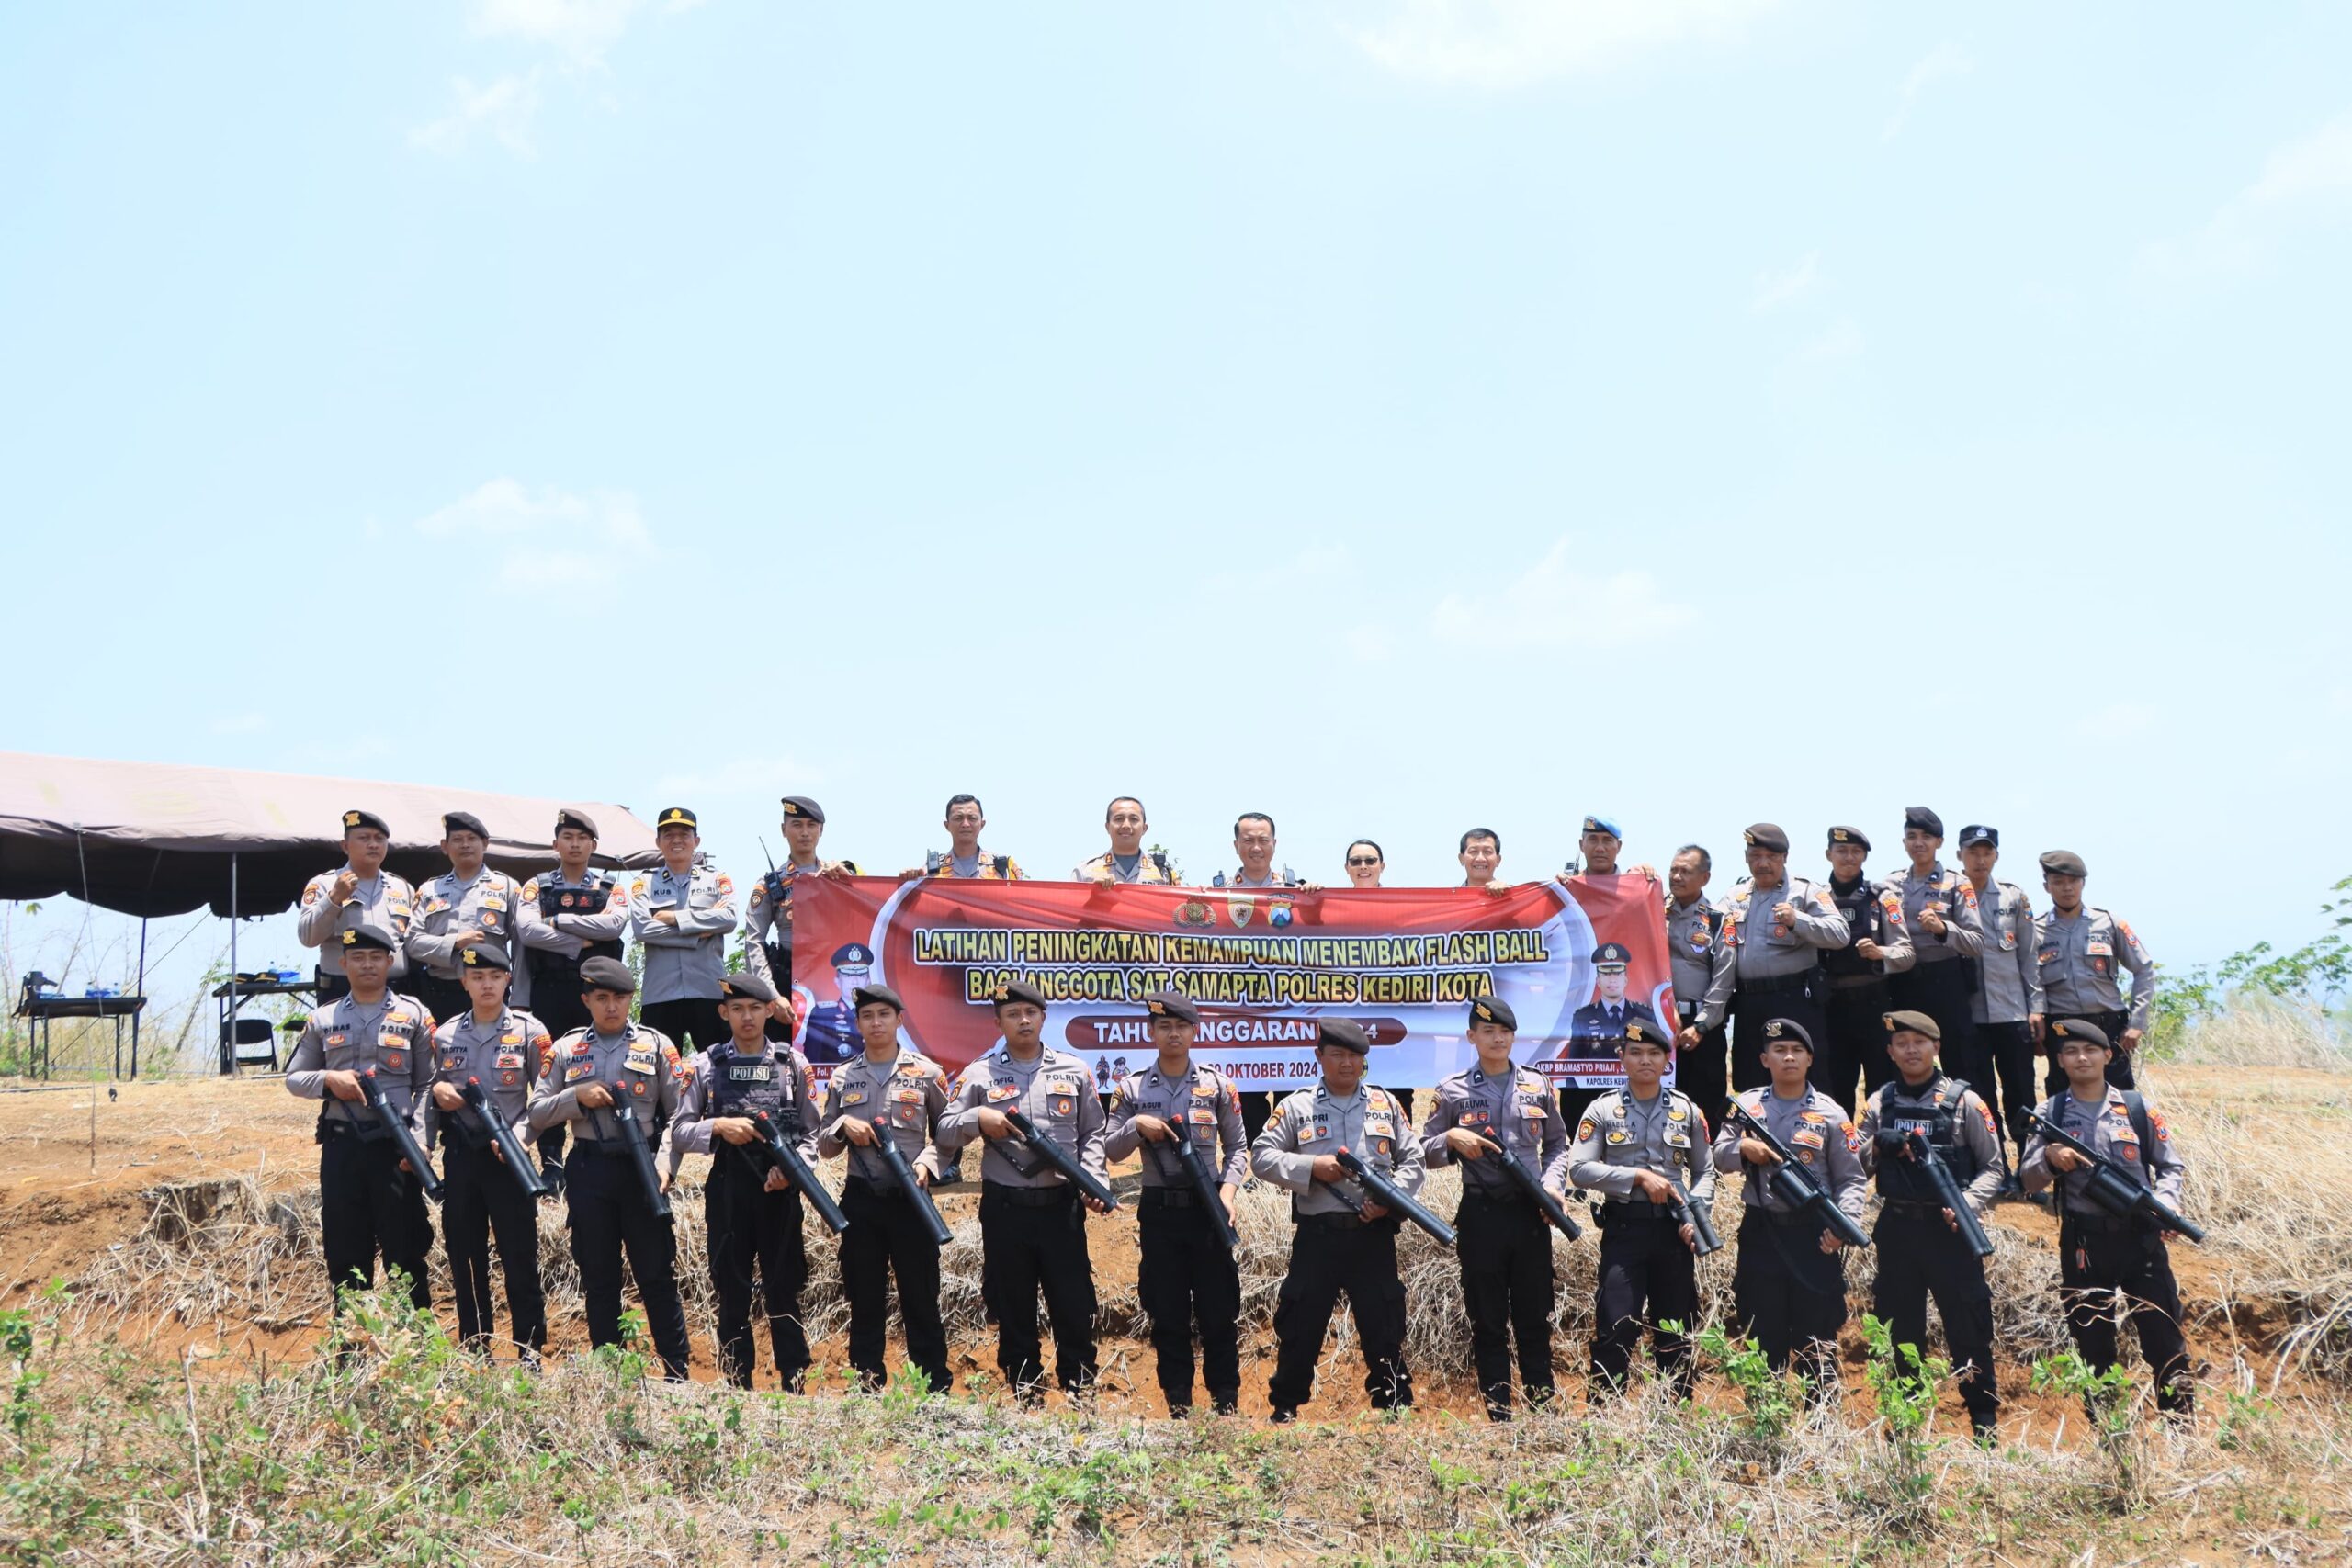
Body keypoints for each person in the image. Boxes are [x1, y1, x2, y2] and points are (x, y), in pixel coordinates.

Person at [940, 979, 1113, 1404]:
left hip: (1061, 1208)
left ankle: (1078, 1385)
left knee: (1073, 1302)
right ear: (997, 1021)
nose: (1022, 1020)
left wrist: (1095, 1181)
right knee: (1013, 1303)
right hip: (1006, 1209)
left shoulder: (1073, 1070)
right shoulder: (979, 1074)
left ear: (1043, 1017)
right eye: (1012, 1014)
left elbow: (1093, 1132)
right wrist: (978, 1118)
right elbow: (944, 1129)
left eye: (1030, 1013)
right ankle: (1026, 1389)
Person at [526, 956, 693, 1381]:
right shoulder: (565, 1050)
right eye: (602, 998)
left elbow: (679, 1116)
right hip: (589, 1166)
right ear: (586, 1000)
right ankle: (611, 1376)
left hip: (643, 1170)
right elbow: (537, 1111)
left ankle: (677, 1373)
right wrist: (576, 1096)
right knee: (599, 1276)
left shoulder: (657, 1045)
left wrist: (665, 1166)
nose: (612, 1007)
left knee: (656, 1274)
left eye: (620, 998)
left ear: (631, 999)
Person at [1251, 1017, 1423, 1423]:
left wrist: (1389, 1200)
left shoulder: (1385, 1104)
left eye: (1356, 1056)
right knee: (1301, 1324)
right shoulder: (1296, 1106)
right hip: (1318, 1237)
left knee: (1383, 1322)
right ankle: (1286, 1408)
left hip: (1373, 1234)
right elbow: (1261, 1156)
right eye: (1338, 1055)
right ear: (1319, 1057)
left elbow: (1414, 1160)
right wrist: (1313, 1167)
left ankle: (1393, 1407)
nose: (1348, 1063)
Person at [2018, 1019, 2193, 1417]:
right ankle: (2109, 1436)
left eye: (2090, 1050)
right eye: (2071, 1052)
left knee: (2164, 1339)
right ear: (2060, 1061)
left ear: (2107, 1056)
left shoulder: (2136, 1106)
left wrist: (2169, 1205)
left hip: (2142, 1239)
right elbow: (2027, 1179)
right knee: (2093, 1345)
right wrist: (2050, 1158)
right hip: (2084, 1243)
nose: (2081, 1058)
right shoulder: (2051, 1113)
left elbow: (2170, 1167)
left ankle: (2181, 1432)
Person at [669, 969, 821, 1391]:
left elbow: (813, 1133)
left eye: (755, 1008)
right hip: (729, 1186)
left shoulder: (792, 1063)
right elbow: (679, 1130)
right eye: (737, 1009)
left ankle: (794, 1378)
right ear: (723, 1013)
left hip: (780, 1188)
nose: (747, 1017)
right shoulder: (705, 1063)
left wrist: (792, 1170)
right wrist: (718, 1126)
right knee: (731, 1285)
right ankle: (738, 1382)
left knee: (784, 1285)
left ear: (770, 1011)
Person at [1420, 996, 1569, 1420]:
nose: (1497, 1037)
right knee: (1487, 1317)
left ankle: (1542, 1410)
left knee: (1534, 1314)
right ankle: (1499, 1413)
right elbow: (1421, 1151)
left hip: (1531, 1213)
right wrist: (1451, 1139)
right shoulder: (1452, 1091)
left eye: (1504, 1031)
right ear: (1472, 1037)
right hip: (1482, 1214)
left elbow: (1558, 1144)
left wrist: (1553, 1186)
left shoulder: (1537, 1085)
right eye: (1488, 1031)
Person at [1856, 1010, 2003, 1438]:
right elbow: (1854, 1168)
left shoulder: (1966, 1102)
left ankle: (1984, 1422)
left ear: (1936, 1048)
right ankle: (1905, 1424)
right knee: (1901, 1329)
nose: (1911, 1049)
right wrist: (1875, 1147)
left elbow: (1995, 1169)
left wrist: (1967, 1206)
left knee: (1969, 1328)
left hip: (1952, 1233)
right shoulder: (1880, 1103)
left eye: (1920, 1041)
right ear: (1890, 1052)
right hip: (1898, 1229)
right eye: (1901, 1043)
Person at [1103, 991, 1247, 1417]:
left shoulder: (1218, 1086)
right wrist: (1135, 1125)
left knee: (1219, 1310)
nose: (1173, 1034)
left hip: (1209, 1210)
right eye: (1164, 1027)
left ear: (1194, 1031)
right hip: (1159, 1211)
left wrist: (1228, 1192)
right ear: (1151, 1032)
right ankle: (1179, 1406)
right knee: (1167, 1312)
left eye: (1181, 1027)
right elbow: (1111, 1148)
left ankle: (1226, 1404)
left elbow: (1239, 1147)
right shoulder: (1130, 1089)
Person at [1712, 1018, 1864, 1399]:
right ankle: (1766, 1419)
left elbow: (1852, 1178)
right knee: (1762, 1330)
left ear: (1810, 1059)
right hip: (1762, 1231)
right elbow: (1718, 1154)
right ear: (1765, 1059)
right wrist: (1742, 1150)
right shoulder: (1746, 1106)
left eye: (1797, 1051)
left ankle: (1822, 1424)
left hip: (1814, 1235)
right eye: (1779, 1051)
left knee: (1818, 1334)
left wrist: (1844, 1225)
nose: (1789, 1057)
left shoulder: (1832, 1113)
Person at [283, 928, 434, 1314]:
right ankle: (352, 1353)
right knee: (346, 1252)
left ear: (390, 962)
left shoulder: (415, 1015)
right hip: (342, 1146)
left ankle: (415, 1348)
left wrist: (421, 1140)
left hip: (395, 1150)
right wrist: (329, 1081)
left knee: (406, 1251)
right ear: (343, 963)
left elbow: (429, 1084)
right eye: (359, 956)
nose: (367, 964)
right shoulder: (322, 1018)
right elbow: (295, 1078)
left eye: (376, 956)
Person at [816, 982, 956, 1394]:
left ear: (899, 1020)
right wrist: (842, 1126)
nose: (876, 1023)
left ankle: (934, 1389)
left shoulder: (927, 1073)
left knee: (921, 1297)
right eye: (867, 1016)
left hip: (912, 1200)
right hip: (861, 1201)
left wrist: (928, 1164)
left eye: (884, 1015)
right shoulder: (843, 1077)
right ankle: (866, 1385)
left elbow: (947, 1137)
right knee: (864, 1297)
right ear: (857, 1023)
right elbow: (824, 1145)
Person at [1567, 1016, 1715, 1402]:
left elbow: (1705, 1170)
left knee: (1675, 1330)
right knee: (1616, 1326)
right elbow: (1579, 1169)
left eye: (1654, 1053)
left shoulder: (1687, 1110)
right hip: (1625, 1231)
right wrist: (1636, 1177)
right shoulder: (1602, 1109)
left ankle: (1675, 1420)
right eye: (1636, 1053)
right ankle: (1605, 1414)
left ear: (1667, 1060)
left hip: (1674, 1231)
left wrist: (1697, 1220)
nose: (1645, 1061)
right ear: (1622, 1058)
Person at [422, 942, 549, 1362]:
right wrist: (438, 1092)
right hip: (460, 1154)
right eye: (477, 978)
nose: (487, 984)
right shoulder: (444, 1035)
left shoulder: (530, 1031)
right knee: (465, 1253)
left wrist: (520, 1137)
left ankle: (530, 1347)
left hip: (507, 1157)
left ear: (508, 979)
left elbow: (544, 1098)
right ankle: (476, 1344)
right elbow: (427, 1091)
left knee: (519, 1255)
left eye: (495, 976)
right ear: (464, 982)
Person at [514, 807, 628, 1194]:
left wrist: (558, 922)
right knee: (551, 1075)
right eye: (568, 837)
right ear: (556, 843)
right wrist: (582, 941)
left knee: (603, 1068)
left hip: (597, 993)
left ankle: (612, 1146)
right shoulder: (536, 885)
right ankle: (551, 1163)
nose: (575, 844)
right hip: (550, 991)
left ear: (594, 845)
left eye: (582, 838)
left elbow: (614, 925)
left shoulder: (611, 887)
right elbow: (527, 931)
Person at [1689, 824, 1849, 1096]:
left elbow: (1840, 933)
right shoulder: (1733, 897)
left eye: (1771, 857)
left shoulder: (1806, 891)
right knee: (1751, 1083)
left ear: (1785, 857)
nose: (1762, 863)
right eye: (1755, 856)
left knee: (1805, 1080)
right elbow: (1699, 924)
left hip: (1795, 1000)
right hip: (1750, 1004)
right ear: (1745, 857)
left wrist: (1799, 920)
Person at [1883, 808, 1987, 1120]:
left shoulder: (1957, 884)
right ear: (1904, 842)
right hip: (1902, 983)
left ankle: (1977, 1144)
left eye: (1926, 837)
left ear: (1939, 842)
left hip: (1946, 981)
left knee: (1962, 1068)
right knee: (1903, 1061)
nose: (1919, 843)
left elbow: (1977, 942)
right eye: (1912, 837)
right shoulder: (1890, 885)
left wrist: (1944, 929)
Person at [1216, 812, 1314, 1142]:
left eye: (1263, 840)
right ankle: (1258, 1166)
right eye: (1248, 840)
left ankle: (1291, 1159)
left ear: (1274, 844)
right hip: (1240, 1011)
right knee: (1248, 1094)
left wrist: (1317, 898)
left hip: (1290, 1010)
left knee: (1292, 1090)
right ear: (1236, 846)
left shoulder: (1297, 891)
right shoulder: (1216, 894)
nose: (1256, 847)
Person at [1959, 825, 2044, 1181]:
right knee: (1981, 1100)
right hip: (1970, 1018)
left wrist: (2036, 1007)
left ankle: (2028, 1170)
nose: (1980, 860)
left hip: (2012, 1014)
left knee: (2021, 1094)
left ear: (1996, 855)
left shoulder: (2013, 898)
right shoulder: (1951, 896)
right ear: (1960, 856)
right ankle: (1995, 1171)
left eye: (1987, 852)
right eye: (1973, 852)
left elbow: (2029, 957)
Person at [405, 811, 532, 1042]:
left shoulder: (506, 887)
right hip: (441, 992)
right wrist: (454, 942)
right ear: (445, 846)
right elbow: (412, 942)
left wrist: (520, 1001)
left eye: (472, 839)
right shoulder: (429, 890)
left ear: (485, 844)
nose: (465, 845)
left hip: (491, 994)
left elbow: (522, 947)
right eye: (457, 839)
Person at [2033, 852, 2155, 1092]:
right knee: (2062, 1097)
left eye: (2073, 881)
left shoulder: (2109, 923)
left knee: (2119, 1095)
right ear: (2047, 886)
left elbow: (2144, 968)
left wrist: (2137, 1023)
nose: (2067, 888)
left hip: (2108, 1024)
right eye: (2058, 881)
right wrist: (2036, 1018)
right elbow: (2031, 981)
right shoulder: (2035, 930)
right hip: (2061, 1027)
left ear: (2083, 883)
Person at [1815, 826, 1915, 1116]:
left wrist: (1880, 953)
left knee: (1883, 1091)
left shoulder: (1882, 897)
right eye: (1842, 851)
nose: (1849, 858)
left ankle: (1883, 1154)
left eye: (1856, 852)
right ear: (1828, 855)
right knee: (1835, 1092)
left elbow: (1906, 953)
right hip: (1832, 1007)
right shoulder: (1816, 899)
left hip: (1875, 1004)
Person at [627, 807, 737, 1055]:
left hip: (708, 990)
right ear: (658, 842)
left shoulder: (717, 880)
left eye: (684, 834)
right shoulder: (643, 882)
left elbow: (729, 918)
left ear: (696, 840)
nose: (677, 840)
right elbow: (643, 929)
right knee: (656, 1071)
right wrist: (699, 932)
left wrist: (673, 918)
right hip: (660, 994)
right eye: (668, 834)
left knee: (718, 1068)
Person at [743, 795, 857, 1013]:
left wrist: (849, 883)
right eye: (797, 825)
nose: (805, 832)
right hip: (787, 982)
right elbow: (753, 942)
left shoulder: (841, 874)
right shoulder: (770, 884)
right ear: (783, 829)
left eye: (811, 825)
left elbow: (871, 912)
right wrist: (771, 995)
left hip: (834, 978)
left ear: (821, 830)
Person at [296, 808, 421, 1003]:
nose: (373, 844)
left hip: (396, 993)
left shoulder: (402, 887)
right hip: (340, 992)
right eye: (364, 838)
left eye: (379, 839)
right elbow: (308, 938)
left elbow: (415, 940)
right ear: (345, 846)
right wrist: (334, 899)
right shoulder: (324, 884)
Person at [1560, 942, 1663, 1130]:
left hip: (1638, 1097)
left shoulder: (1646, 1015)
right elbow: (1573, 1068)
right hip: (1592, 1099)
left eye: (1617, 973)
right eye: (1606, 973)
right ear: (1598, 980)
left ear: (1626, 978)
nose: (1612, 979)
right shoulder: (1582, 1016)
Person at [1665, 845, 1729, 1123]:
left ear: (1705, 878)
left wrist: (1701, 1026)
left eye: (1686, 871)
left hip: (1703, 1028)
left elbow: (1723, 980)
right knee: (1663, 1102)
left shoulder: (1718, 920)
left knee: (1707, 1103)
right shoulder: (1652, 912)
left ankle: (1710, 1163)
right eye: (1673, 870)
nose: (1677, 877)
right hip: (1661, 1022)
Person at [904, 793, 1026, 879]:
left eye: (972, 818)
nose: (965, 824)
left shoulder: (1003, 866)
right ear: (947, 825)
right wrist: (907, 879)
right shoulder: (933, 869)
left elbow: (1024, 899)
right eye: (958, 818)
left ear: (982, 824)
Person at [794, 942, 874, 1066]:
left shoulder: (878, 1014)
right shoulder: (822, 1014)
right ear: (837, 981)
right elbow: (813, 1063)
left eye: (860, 975)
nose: (854, 981)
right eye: (847, 975)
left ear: (868, 980)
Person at [1076, 796, 1177, 883]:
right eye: (1119, 819)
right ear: (1107, 827)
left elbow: (1181, 905)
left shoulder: (1163, 873)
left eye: (1134, 819)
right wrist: (1092, 893)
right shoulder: (1085, 870)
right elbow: (1070, 904)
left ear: (1144, 828)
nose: (1126, 826)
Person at [1459, 828, 1508, 892]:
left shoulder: (1514, 898)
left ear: (1498, 860)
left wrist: (1508, 894)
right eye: (1473, 851)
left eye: (1487, 852)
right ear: (1461, 859)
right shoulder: (1451, 899)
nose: (1480, 858)